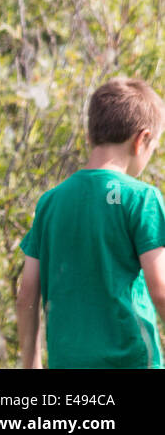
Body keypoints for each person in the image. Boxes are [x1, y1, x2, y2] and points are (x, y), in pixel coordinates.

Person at [17, 77, 165, 368]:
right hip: (131, 362)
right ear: (141, 139)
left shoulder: (50, 202)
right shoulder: (141, 198)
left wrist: (30, 363)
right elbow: (160, 290)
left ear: (90, 136)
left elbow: (27, 295)